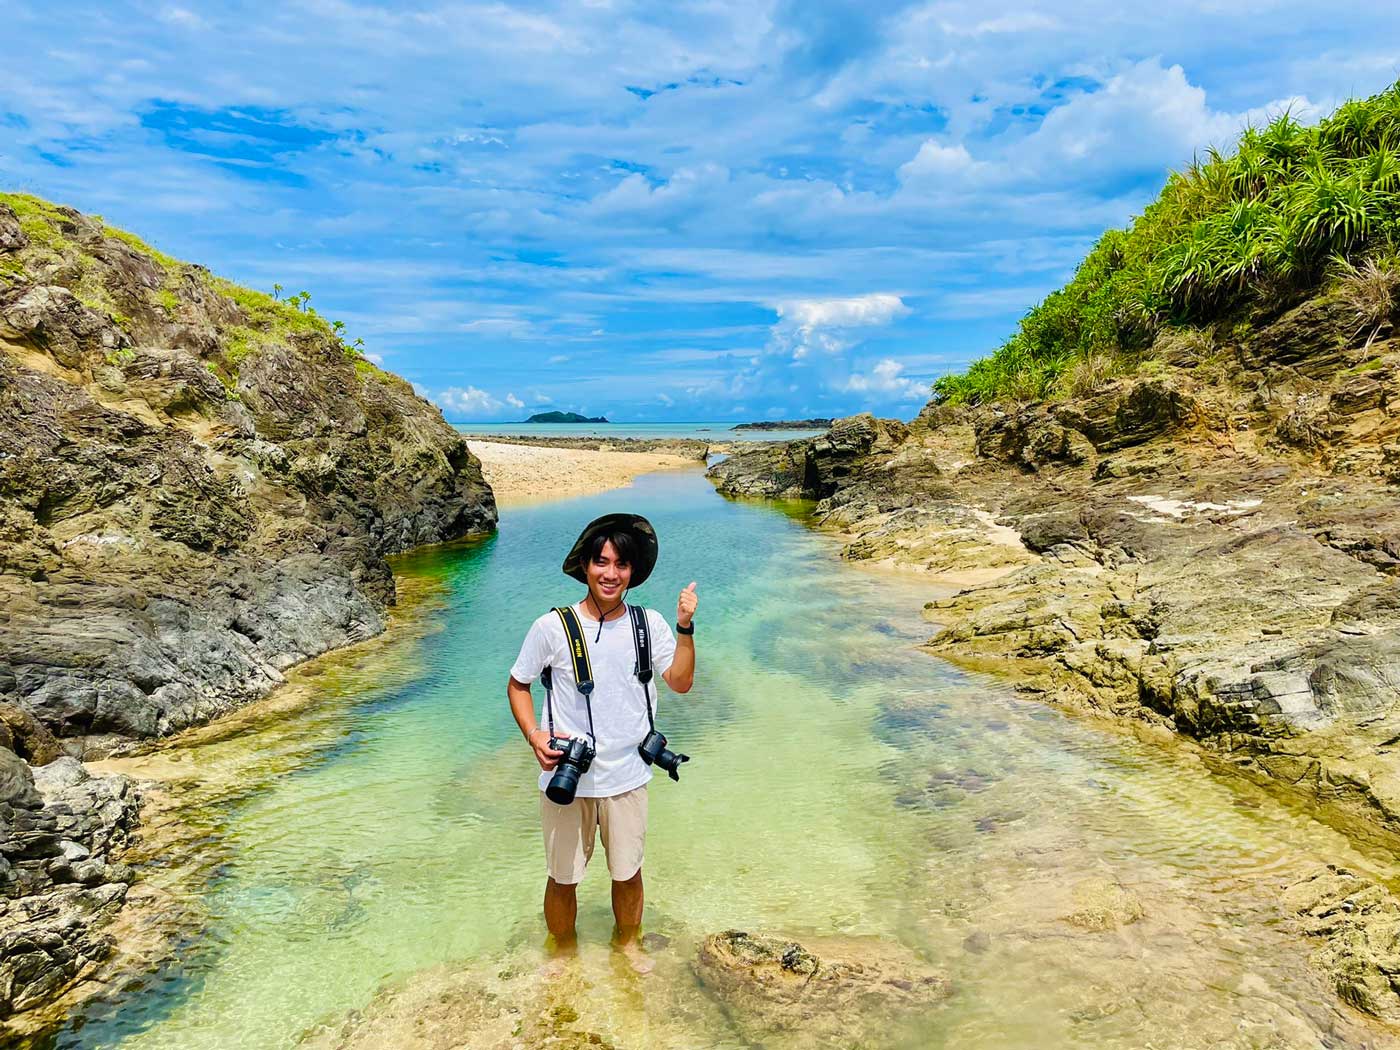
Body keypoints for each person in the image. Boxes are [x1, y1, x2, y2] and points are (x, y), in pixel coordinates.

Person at [506, 512, 697, 961]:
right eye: (601, 562)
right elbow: (518, 684)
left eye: (621, 565)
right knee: (562, 877)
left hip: (628, 774)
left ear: (632, 572)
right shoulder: (552, 627)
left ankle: (628, 946)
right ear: (585, 567)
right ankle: (562, 952)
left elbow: (681, 682)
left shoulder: (649, 624)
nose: (611, 574)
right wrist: (534, 735)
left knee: (628, 873)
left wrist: (686, 625)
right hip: (568, 776)